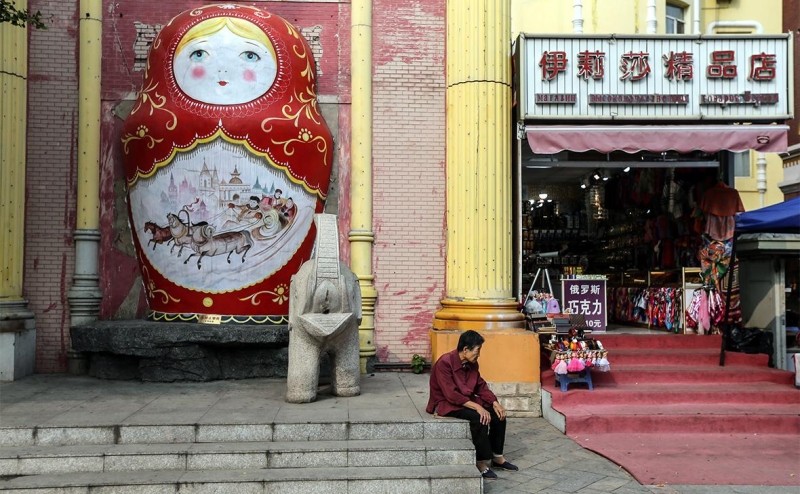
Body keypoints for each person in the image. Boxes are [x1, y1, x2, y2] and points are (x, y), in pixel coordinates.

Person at [426, 330, 518, 479]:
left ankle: (497, 457)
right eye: (477, 350)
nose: (479, 354)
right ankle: (480, 462)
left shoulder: (472, 364)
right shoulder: (445, 362)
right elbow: (451, 395)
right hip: (446, 403)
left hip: (465, 399)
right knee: (479, 417)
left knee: (498, 414)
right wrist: (478, 407)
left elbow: (480, 386)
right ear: (465, 349)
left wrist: (495, 402)